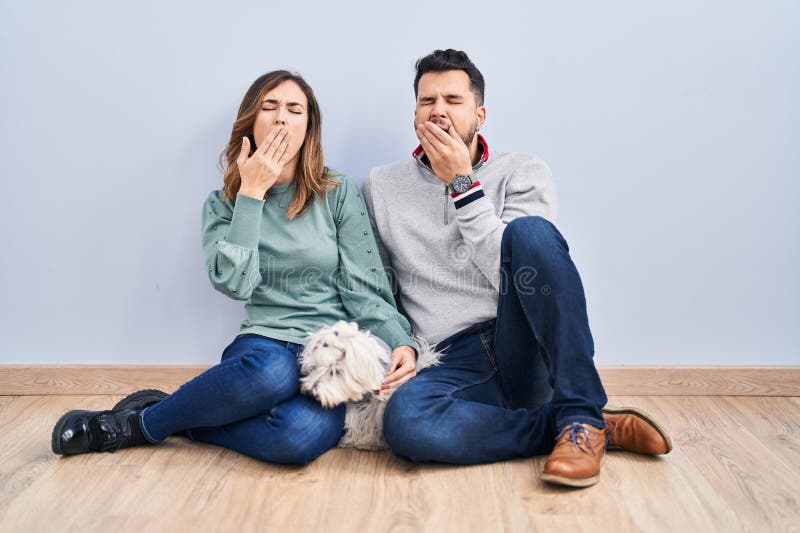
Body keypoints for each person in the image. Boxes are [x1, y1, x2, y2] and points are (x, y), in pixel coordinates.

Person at [51, 70, 417, 465]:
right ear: (250, 123)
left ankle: (180, 416)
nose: (281, 118)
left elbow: (364, 286)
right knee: (272, 374)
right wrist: (253, 193)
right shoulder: (222, 204)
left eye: (295, 110)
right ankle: (133, 426)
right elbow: (235, 284)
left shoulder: (337, 192)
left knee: (297, 440)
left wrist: (400, 340)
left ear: (308, 128)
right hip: (265, 343)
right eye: (270, 107)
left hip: (329, 353)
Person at [363, 49, 672, 488]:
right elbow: (381, 285)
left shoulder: (523, 171)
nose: (438, 112)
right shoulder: (381, 185)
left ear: (480, 114)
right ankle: (569, 426)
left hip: (520, 342)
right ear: (414, 112)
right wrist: (401, 343)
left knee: (530, 234)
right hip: (448, 357)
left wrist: (462, 185)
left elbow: (517, 274)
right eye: (427, 101)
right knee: (405, 425)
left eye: (452, 100)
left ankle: (580, 414)